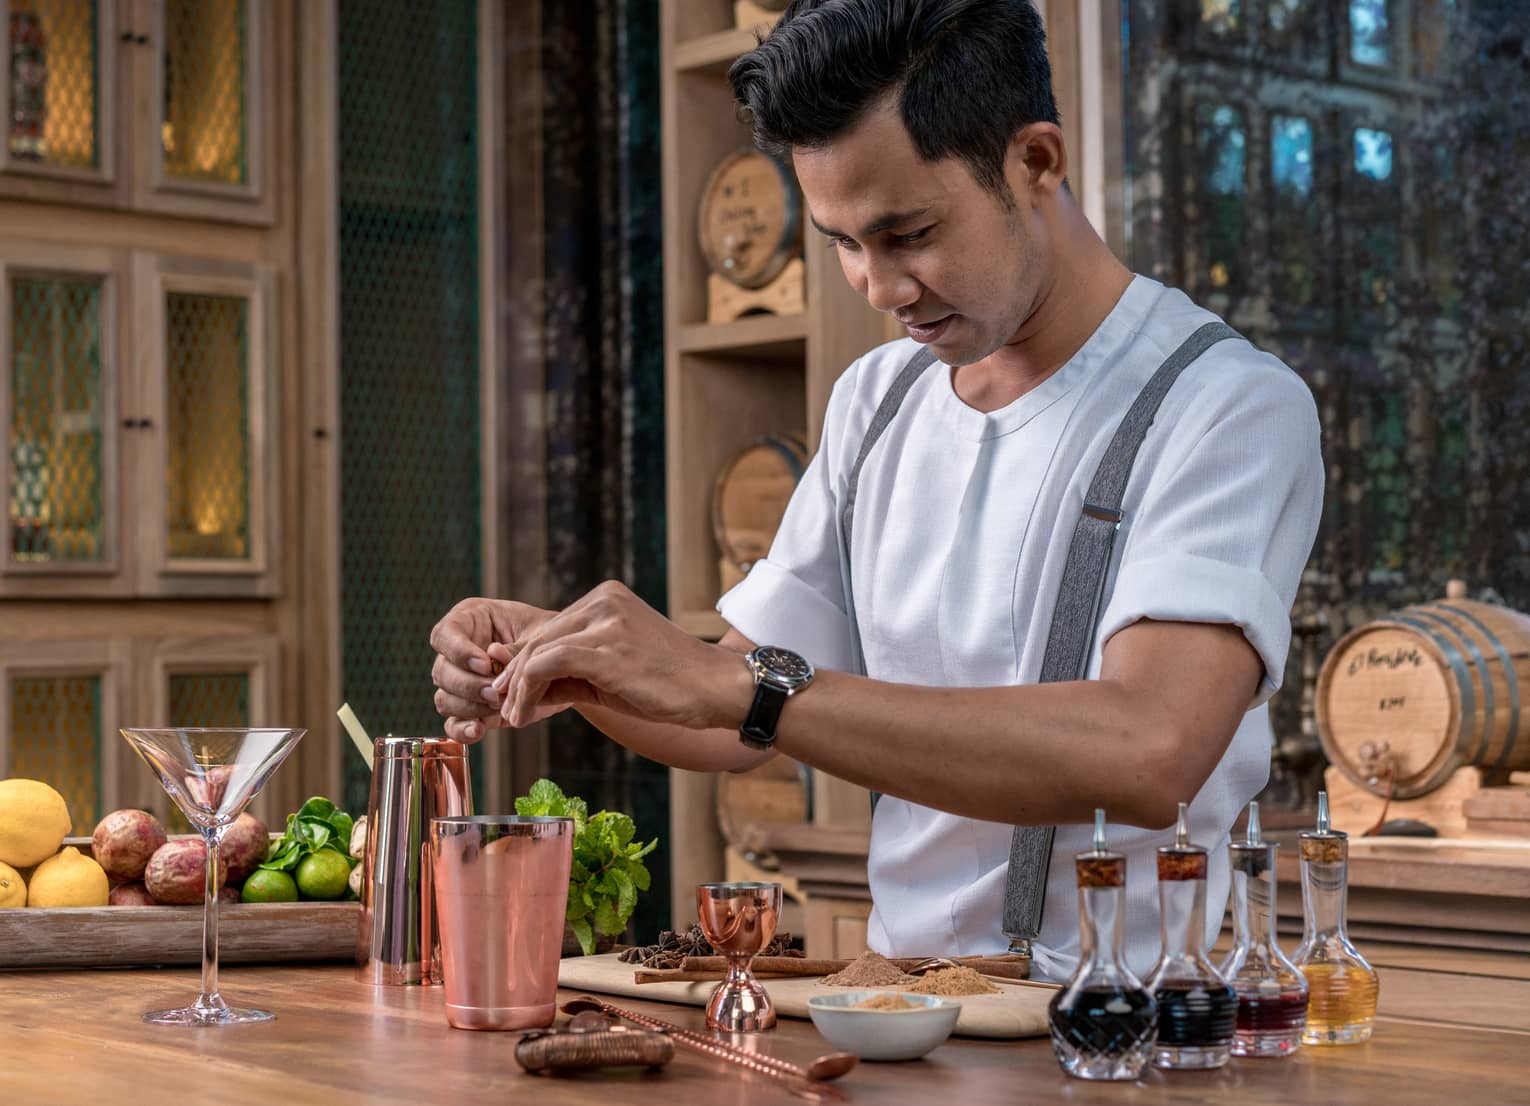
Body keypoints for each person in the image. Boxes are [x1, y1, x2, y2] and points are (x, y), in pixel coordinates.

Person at [429, 0, 1323, 981]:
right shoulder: (879, 399)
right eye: (844, 242)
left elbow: (1150, 749)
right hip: (905, 1010)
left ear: (1036, 161)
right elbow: (739, 708)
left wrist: (740, 685)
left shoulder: (1224, 404)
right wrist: (574, 664)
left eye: (911, 232)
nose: (879, 285)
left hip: (1137, 1023)